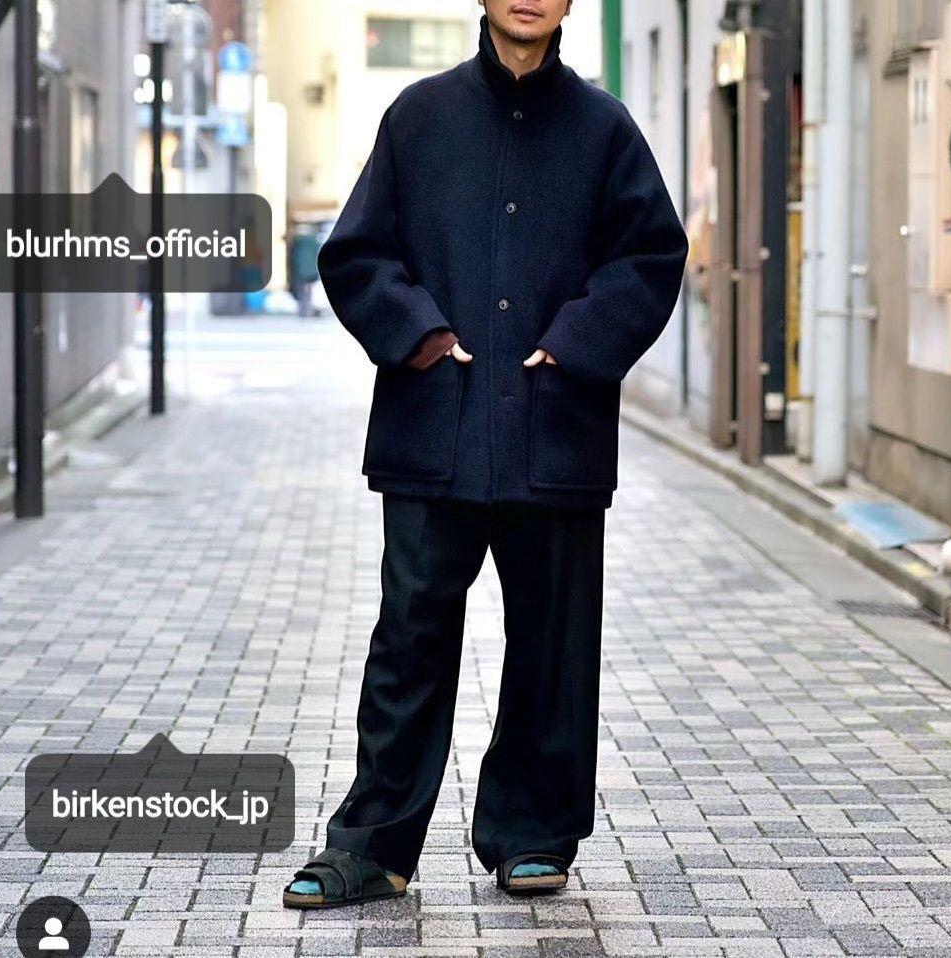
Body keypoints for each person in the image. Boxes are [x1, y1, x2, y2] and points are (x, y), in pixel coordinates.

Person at [283, 0, 687, 908]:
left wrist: (577, 345)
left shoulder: (604, 129)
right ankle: (373, 847)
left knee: (552, 640)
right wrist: (420, 335)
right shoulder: (418, 118)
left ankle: (533, 832)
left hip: (556, 432)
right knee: (410, 636)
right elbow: (355, 254)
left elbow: (651, 256)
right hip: (435, 429)